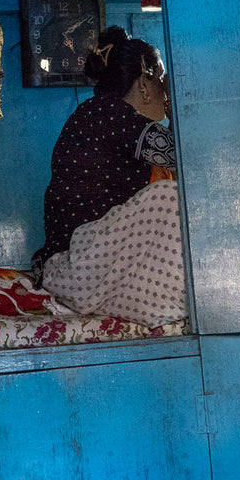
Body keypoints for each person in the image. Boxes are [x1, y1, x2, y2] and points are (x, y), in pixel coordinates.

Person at [31, 26, 186, 327]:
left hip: (95, 266)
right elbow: (190, 157)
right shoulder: (105, 112)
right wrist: (181, 92)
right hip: (77, 264)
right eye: (162, 82)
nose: (165, 95)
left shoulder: (103, 114)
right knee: (169, 198)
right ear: (145, 81)